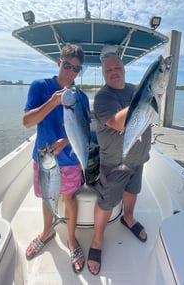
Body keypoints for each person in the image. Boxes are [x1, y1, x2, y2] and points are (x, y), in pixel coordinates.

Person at [23, 44, 90, 274]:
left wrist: (66, 142)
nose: (71, 72)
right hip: (43, 159)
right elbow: (27, 122)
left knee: (69, 198)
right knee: (46, 198)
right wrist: (52, 102)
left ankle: (71, 241)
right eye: (68, 65)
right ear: (59, 62)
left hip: (69, 160)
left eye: (77, 69)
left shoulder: (81, 97)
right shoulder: (40, 86)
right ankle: (46, 232)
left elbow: (83, 129)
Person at [87, 51, 151, 275]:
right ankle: (97, 241)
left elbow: (148, 116)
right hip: (115, 162)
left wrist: (151, 97)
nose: (114, 72)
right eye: (108, 70)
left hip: (138, 158)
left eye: (117, 68)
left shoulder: (136, 90)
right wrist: (147, 99)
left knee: (133, 191)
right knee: (106, 202)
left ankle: (128, 217)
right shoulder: (103, 97)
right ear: (103, 74)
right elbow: (117, 122)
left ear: (124, 69)